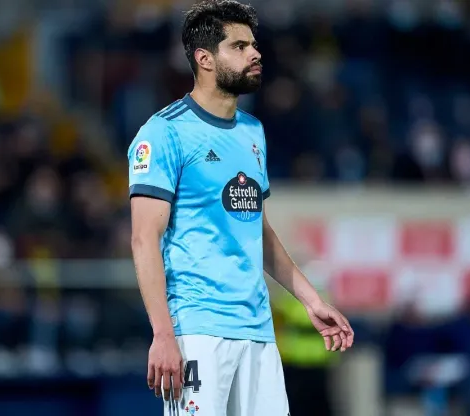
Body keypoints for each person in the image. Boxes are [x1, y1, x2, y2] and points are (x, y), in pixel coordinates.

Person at [127, 1, 354, 415]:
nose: (256, 53)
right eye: (239, 46)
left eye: (254, 45)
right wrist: (163, 333)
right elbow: (144, 238)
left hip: (258, 331)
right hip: (196, 330)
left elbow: (258, 231)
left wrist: (310, 299)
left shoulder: (253, 132)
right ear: (205, 59)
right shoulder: (163, 132)